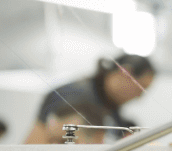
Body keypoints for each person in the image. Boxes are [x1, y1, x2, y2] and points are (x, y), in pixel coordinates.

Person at [24, 54, 155, 144]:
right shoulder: (74, 96)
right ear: (125, 73)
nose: (139, 97)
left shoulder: (109, 105)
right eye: (140, 88)